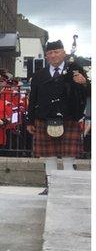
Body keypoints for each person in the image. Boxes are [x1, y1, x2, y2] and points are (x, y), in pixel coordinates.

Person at [26, 40, 90, 194]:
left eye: (56, 52)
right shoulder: (39, 75)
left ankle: (67, 187)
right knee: (49, 156)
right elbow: (33, 98)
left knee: (68, 156)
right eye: (50, 53)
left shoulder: (75, 70)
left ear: (64, 52)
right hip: (44, 119)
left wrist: (85, 83)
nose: (53, 55)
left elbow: (88, 93)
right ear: (47, 56)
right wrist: (30, 120)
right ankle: (52, 188)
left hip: (69, 119)